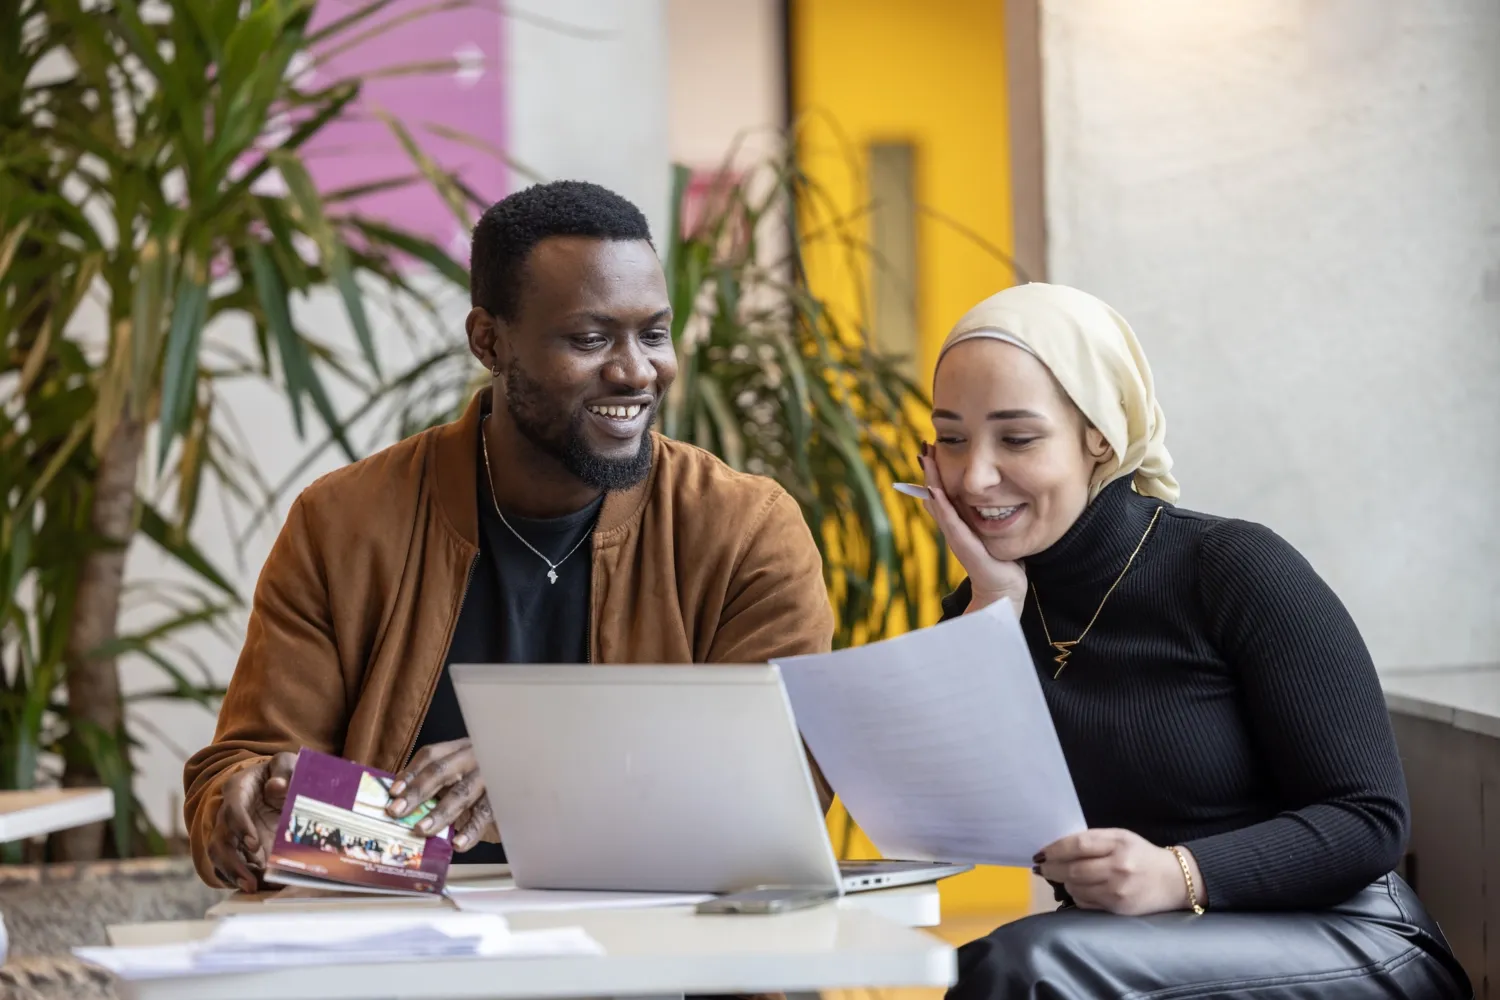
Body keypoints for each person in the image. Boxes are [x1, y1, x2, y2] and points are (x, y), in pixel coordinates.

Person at [183, 180, 834, 892]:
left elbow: (782, 790)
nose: (637, 370)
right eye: (590, 339)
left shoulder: (743, 530)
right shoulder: (342, 524)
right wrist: (241, 807)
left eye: (653, 333)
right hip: (404, 961)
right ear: (489, 341)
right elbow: (247, 768)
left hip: (657, 963)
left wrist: (541, 776)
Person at [921, 283, 1471, 999]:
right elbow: (951, 817)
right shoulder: (991, 606)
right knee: (1018, 962)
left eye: (1017, 438)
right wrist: (994, 606)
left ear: (1101, 436)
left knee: (1025, 968)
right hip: (1129, 953)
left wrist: (1175, 872)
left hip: (1350, 936)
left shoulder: (1229, 565)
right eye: (952, 438)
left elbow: (1371, 819)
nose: (973, 475)